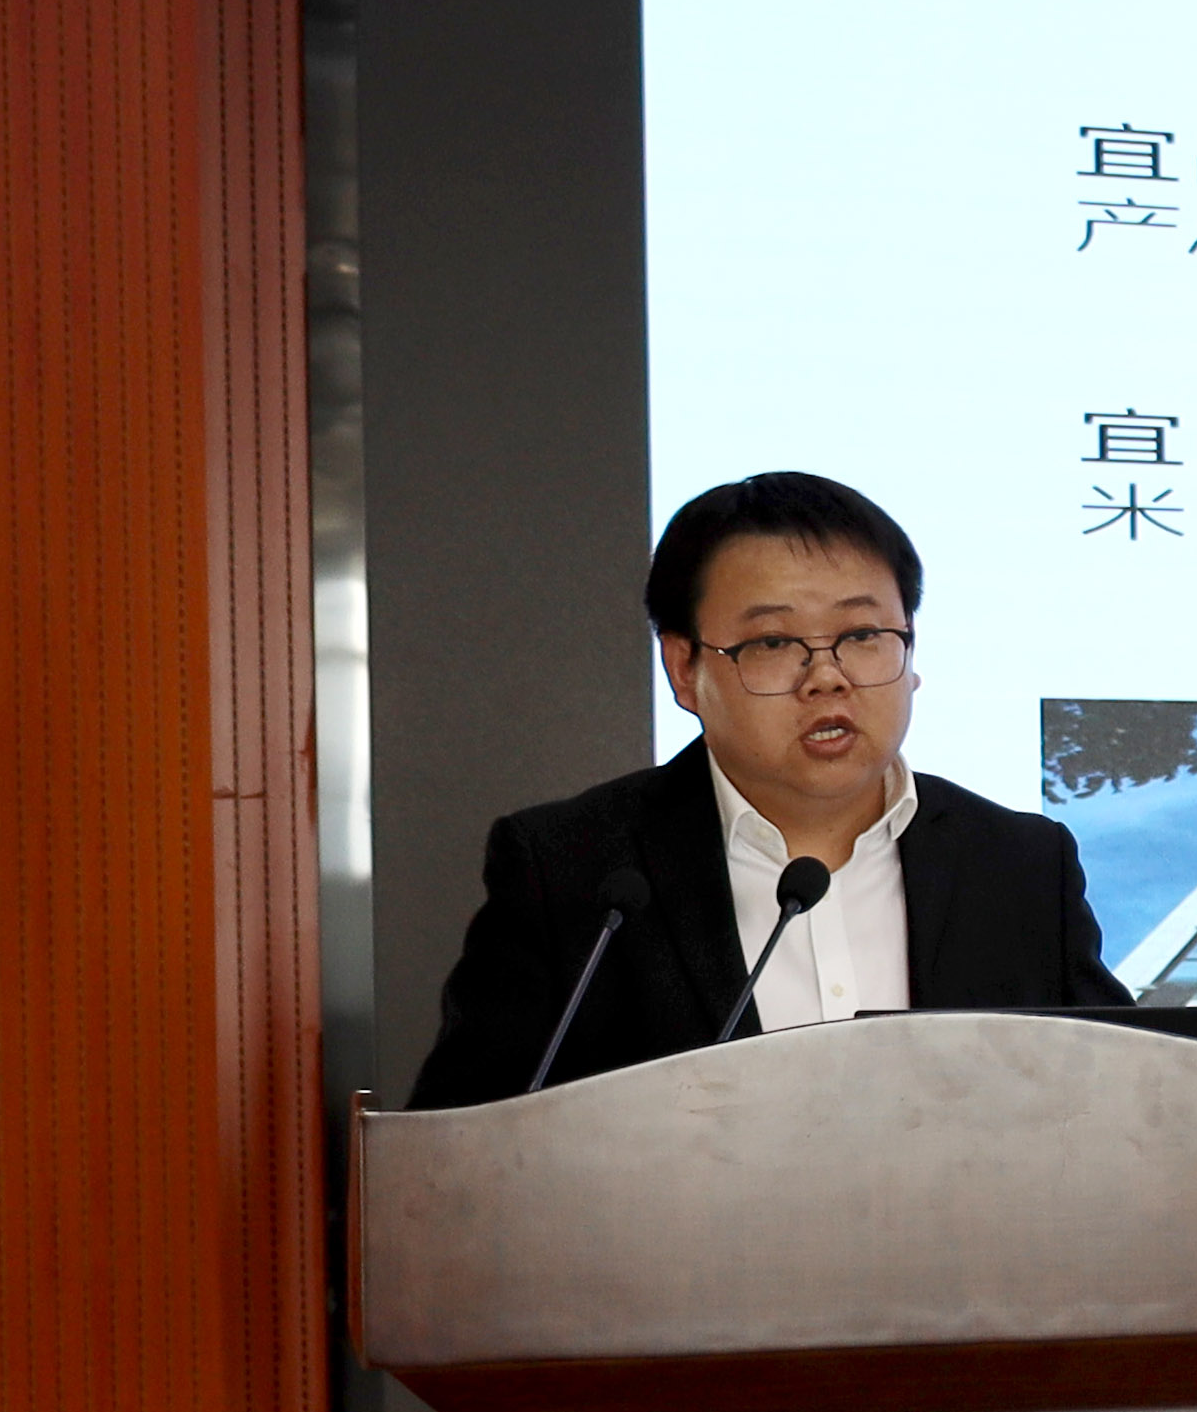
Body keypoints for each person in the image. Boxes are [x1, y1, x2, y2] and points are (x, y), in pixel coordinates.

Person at [403, 471, 1128, 1106]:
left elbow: (1131, 1100)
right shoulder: (574, 871)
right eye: (775, 643)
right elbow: (460, 1150)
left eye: (863, 635)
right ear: (685, 668)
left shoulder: (1019, 864)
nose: (828, 677)